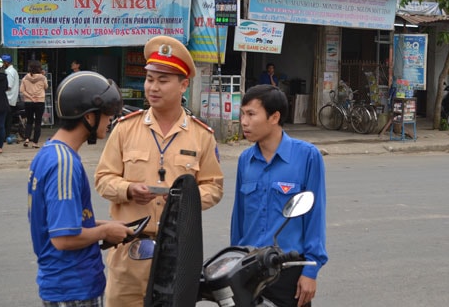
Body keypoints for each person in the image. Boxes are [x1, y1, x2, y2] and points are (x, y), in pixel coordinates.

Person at [95, 35, 224, 307]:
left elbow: (214, 187)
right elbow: (103, 180)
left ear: (183, 85)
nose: (153, 87)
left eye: (163, 80)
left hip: (177, 255)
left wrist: (183, 201)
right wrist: (128, 190)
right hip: (128, 252)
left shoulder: (202, 136)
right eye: (150, 79)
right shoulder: (125, 128)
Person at [27, 71, 133, 306]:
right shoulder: (63, 163)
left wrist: (108, 225)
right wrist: (105, 233)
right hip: (72, 287)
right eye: (106, 116)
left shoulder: (48, 153)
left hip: (65, 285)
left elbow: (60, 223)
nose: (109, 122)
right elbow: (63, 238)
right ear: (89, 116)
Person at [230, 84, 328, 307]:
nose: (244, 121)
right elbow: (239, 218)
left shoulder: (307, 156)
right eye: (242, 114)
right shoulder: (245, 160)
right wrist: (234, 261)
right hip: (248, 270)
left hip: (288, 271)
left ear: (274, 117)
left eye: (251, 114)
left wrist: (310, 271)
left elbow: (315, 215)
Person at [20, 60, 48, 148]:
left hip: (28, 102)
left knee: (29, 121)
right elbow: (46, 87)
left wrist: (30, 97)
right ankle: (35, 142)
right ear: (39, 68)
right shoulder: (43, 78)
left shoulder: (25, 78)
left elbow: (22, 90)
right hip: (40, 101)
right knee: (38, 122)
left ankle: (27, 139)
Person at [2, 54, 20, 139]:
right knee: (8, 119)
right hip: (11, 98)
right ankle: (6, 135)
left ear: (6, 62)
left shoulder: (9, 72)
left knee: (6, 119)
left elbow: (8, 86)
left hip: (8, 99)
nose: (2, 64)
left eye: (3, 62)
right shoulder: (13, 71)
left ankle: (5, 136)